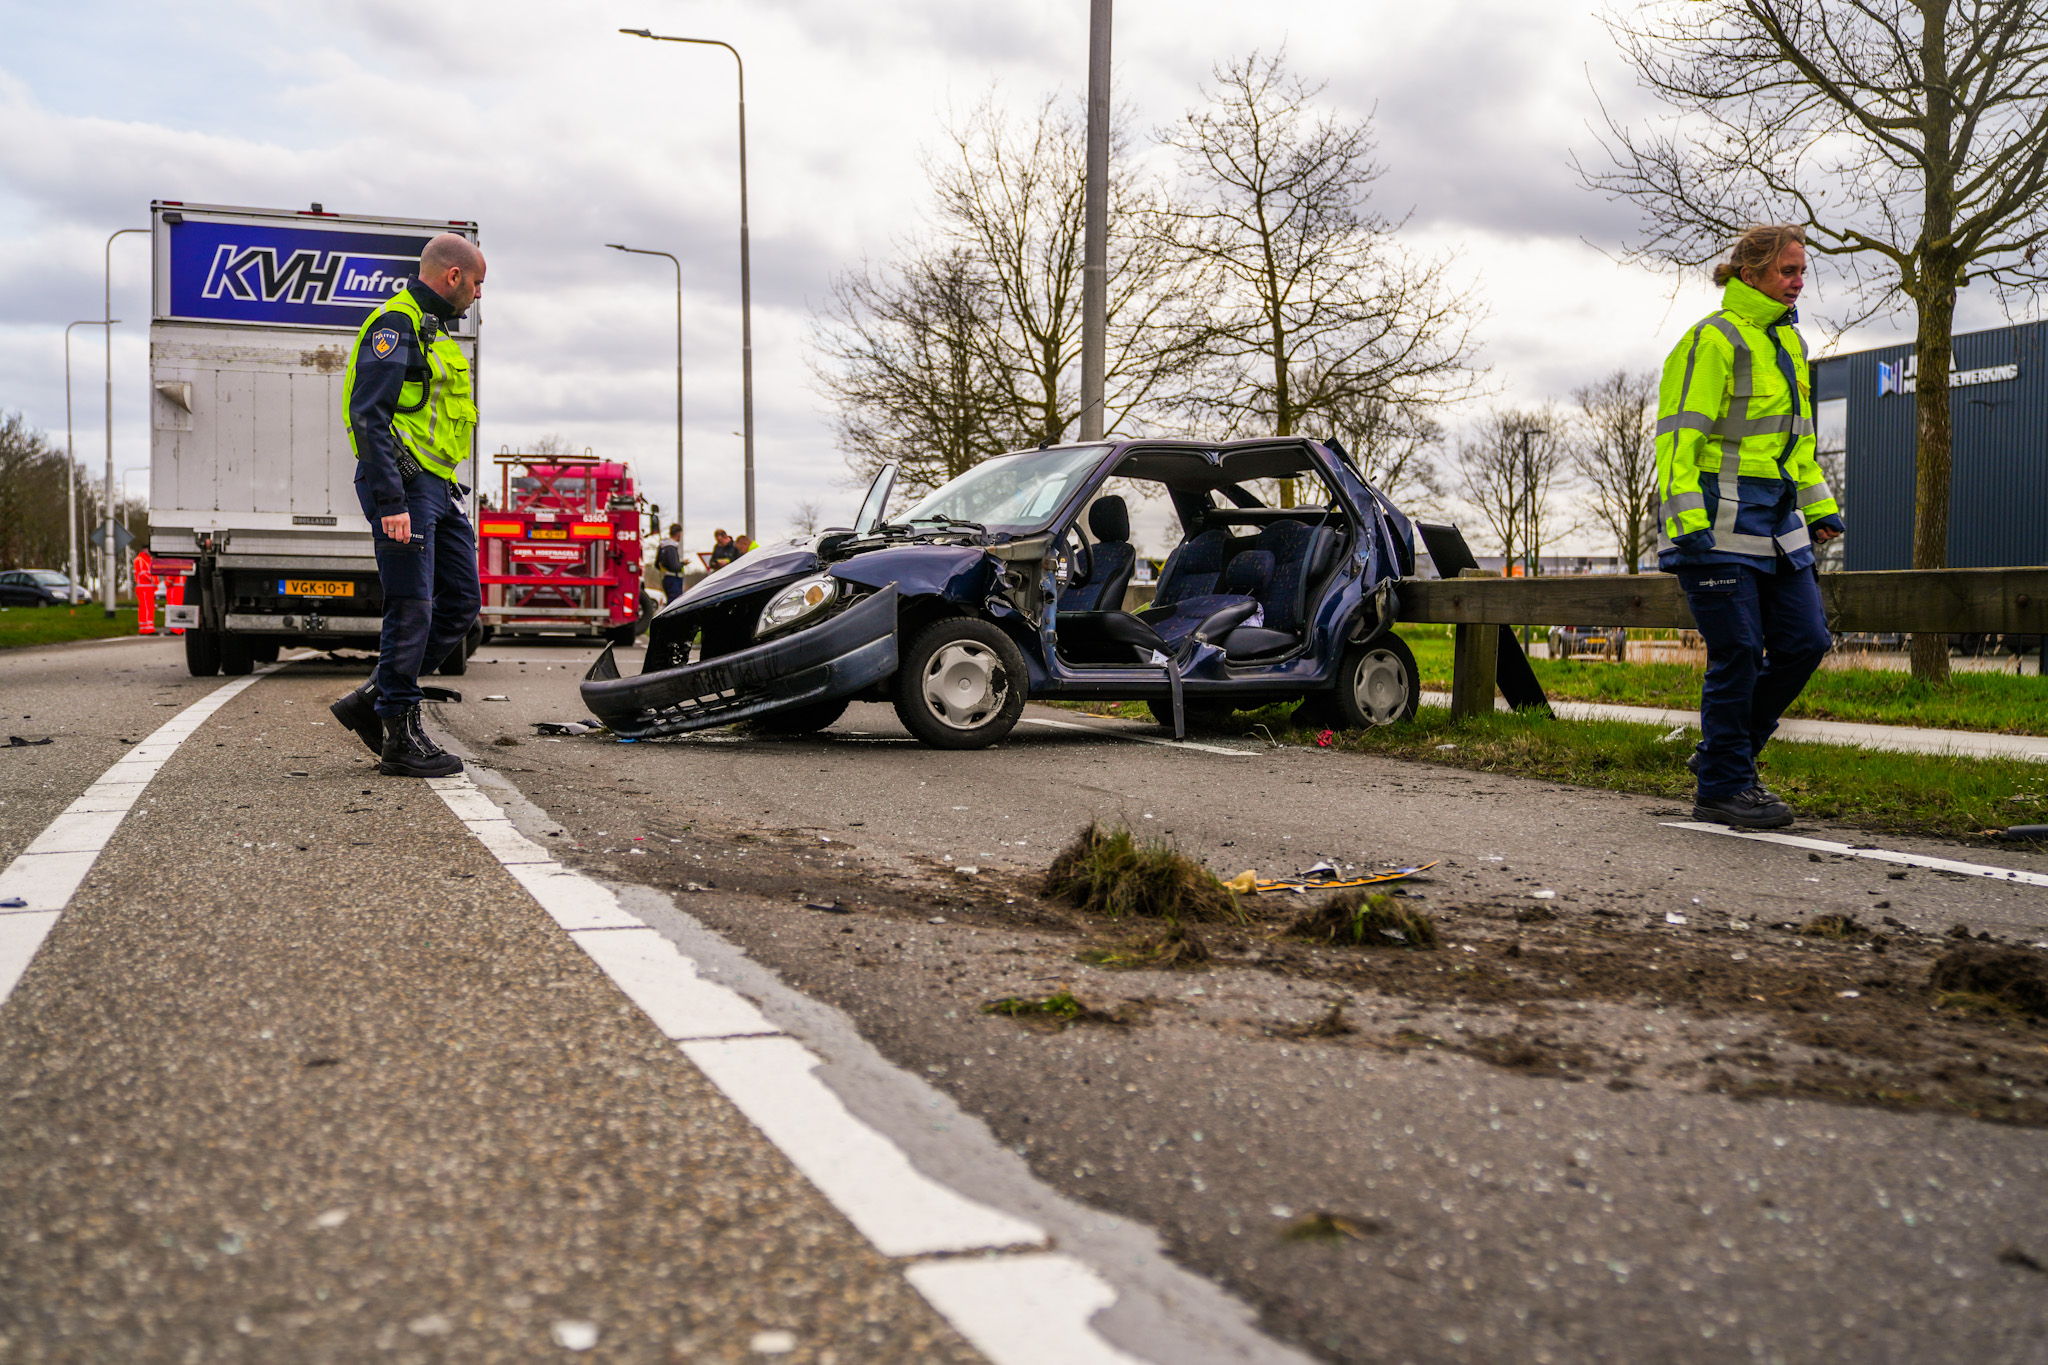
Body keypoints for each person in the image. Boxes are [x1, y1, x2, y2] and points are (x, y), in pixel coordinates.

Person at [1656, 223, 1844, 829]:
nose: (1798, 282)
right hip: (1715, 525)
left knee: (1807, 642)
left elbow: (1799, 445)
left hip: (1778, 525)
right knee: (1737, 650)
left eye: (1802, 272)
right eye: (1788, 271)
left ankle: (1722, 754)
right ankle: (1724, 786)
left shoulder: (1789, 347)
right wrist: (1684, 518)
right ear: (1750, 273)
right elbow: (1679, 434)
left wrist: (1818, 507)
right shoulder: (1712, 340)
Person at [328, 233, 487, 778]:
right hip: (404, 488)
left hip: (439, 488)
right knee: (411, 604)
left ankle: (370, 699)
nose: (478, 295)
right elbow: (367, 415)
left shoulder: (433, 331)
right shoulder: (394, 325)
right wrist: (391, 498)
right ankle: (398, 731)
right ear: (453, 277)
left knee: (462, 603)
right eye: (477, 283)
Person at [656, 522, 686, 602]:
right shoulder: (671, 547)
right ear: (679, 534)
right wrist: (682, 564)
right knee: (675, 603)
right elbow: (674, 566)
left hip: (667, 578)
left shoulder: (663, 546)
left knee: (671, 602)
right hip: (674, 580)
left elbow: (657, 564)